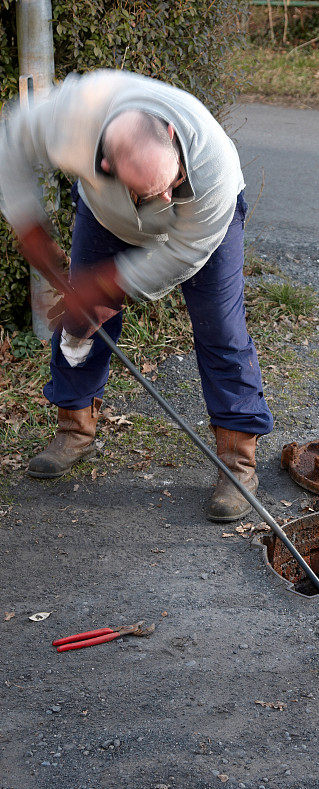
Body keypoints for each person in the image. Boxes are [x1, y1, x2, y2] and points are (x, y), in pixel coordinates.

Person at [0, 69, 273, 521]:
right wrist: (27, 224)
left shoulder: (211, 166)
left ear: (169, 133)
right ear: (105, 165)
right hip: (107, 216)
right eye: (152, 191)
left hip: (204, 229)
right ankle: (75, 427)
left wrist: (108, 288)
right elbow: (8, 141)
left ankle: (237, 462)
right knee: (78, 321)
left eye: (172, 182)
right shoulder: (69, 116)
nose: (166, 197)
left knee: (221, 329)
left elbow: (182, 254)